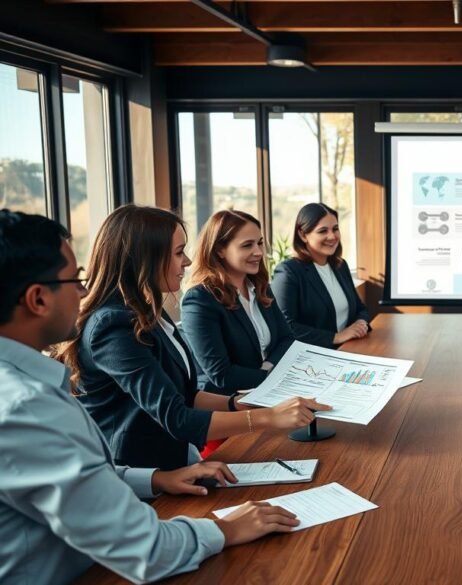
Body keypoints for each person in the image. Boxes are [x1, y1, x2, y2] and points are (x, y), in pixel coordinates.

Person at [0, 209, 301, 584]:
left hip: (150, 491)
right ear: (37, 299)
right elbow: (144, 548)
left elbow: (86, 477)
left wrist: (156, 479)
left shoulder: (31, 387)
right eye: (73, 279)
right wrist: (226, 530)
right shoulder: (26, 406)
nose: (81, 289)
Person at [57, 205, 329, 471]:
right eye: (178, 253)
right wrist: (268, 417)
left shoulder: (147, 311)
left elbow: (184, 394)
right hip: (139, 477)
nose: (187, 260)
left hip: (178, 462)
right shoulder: (113, 325)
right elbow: (175, 416)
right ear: (144, 258)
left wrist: (236, 403)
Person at [181, 210, 295, 395]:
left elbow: (287, 339)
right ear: (220, 250)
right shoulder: (199, 300)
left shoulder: (259, 286)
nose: (258, 252)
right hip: (229, 403)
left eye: (259, 243)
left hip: (270, 391)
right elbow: (221, 374)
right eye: (247, 245)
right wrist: (272, 377)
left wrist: (267, 368)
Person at [272, 203, 370, 349]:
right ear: (302, 234)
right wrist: (335, 337)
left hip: (348, 348)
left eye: (335, 229)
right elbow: (286, 327)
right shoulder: (288, 272)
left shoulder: (340, 266)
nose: (332, 236)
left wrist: (361, 323)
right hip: (312, 358)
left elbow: (360, 309)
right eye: (323, 231)